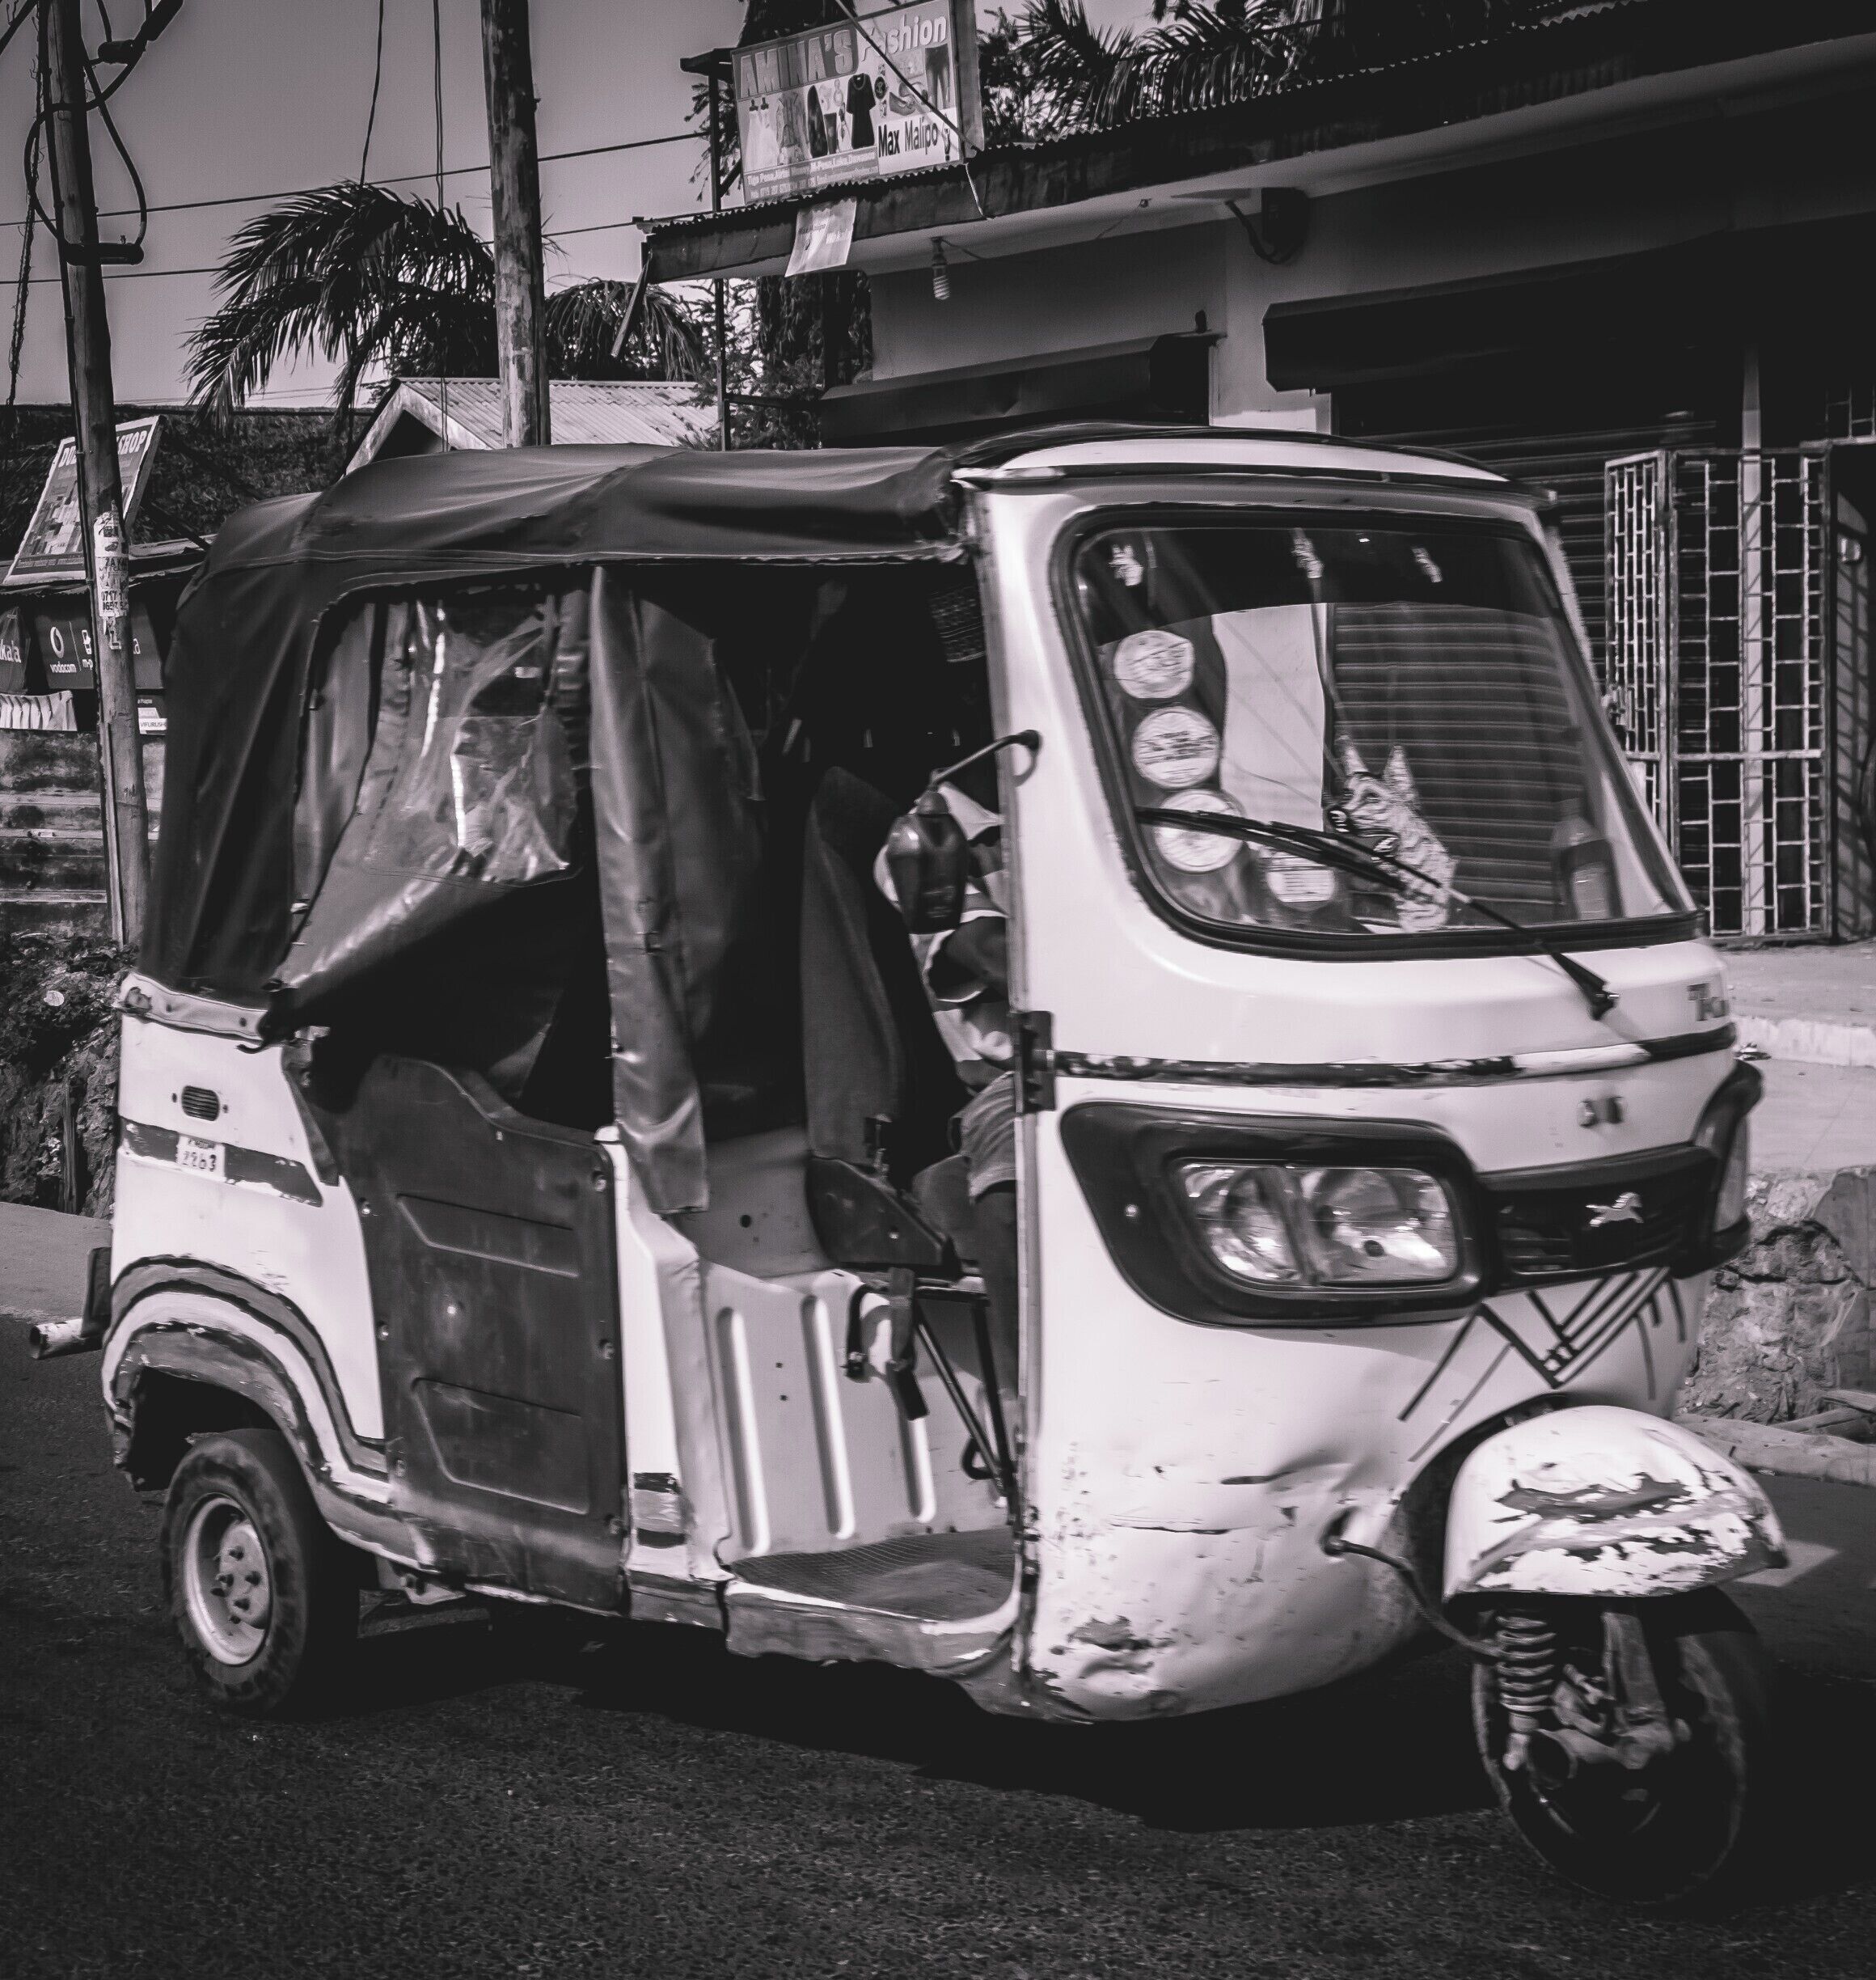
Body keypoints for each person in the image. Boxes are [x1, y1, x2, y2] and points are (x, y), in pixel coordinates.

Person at [874, 779, 1019, 1390]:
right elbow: (981, 949)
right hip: (1025, 1072)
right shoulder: (924, 839)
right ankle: (1030, 1405)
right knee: (1018, 1159)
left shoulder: (1126, 794)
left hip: (1177, 1048)